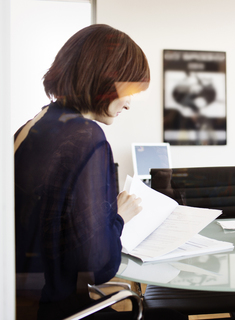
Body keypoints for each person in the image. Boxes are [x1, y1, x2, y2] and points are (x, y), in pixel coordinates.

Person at [14, 24, 186, 320]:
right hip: (55, 308)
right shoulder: (86, 137)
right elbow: (98, 266)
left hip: (20, 303)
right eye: (128, 90)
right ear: (102, 79)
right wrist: (118, 216)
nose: (129, 103)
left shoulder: (32, 125)